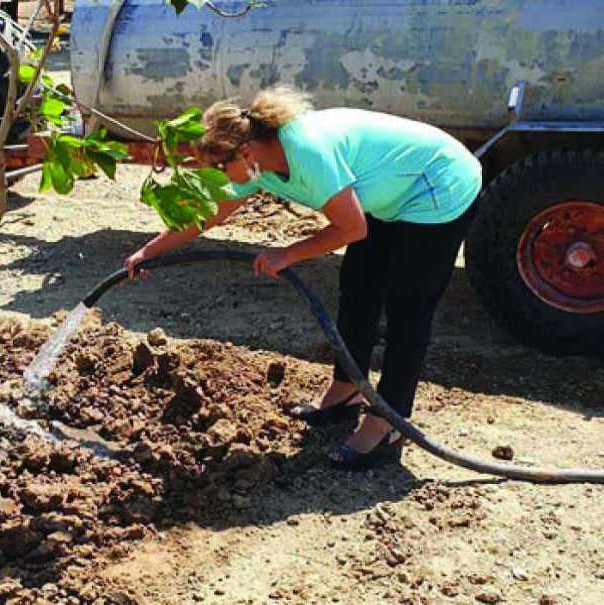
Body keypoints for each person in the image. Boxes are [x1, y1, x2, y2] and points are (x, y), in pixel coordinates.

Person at [124, 86, 482, 470]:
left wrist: (287, 254)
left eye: (218, 169)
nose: (217, 178)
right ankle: (347, 391)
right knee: (359, 287)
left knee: (407, 305)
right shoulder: (257, 162)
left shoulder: (307, 153)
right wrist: (150, 251)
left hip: (436, 185)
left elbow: (352, 229)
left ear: (244, 152)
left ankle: (388, 423)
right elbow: (210, 213)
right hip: (388, 194)